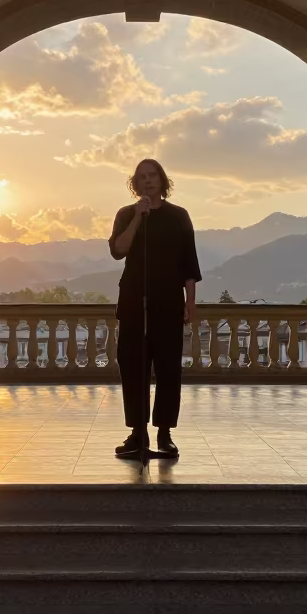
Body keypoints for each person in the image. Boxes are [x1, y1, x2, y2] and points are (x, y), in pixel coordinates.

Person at [108, 159, 201, 458]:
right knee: (133, 367)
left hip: (168, 301)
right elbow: (118, 251)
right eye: (142, 177)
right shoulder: (126, 214)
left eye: (153, 176)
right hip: (134, 301)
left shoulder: (179, 216)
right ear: (135, 184)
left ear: (162, 180)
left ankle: (164, 434)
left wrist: (190, 301)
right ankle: (137, 433)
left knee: (168, 369)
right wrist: (137, 217)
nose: (148, 181)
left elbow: (189, 262)